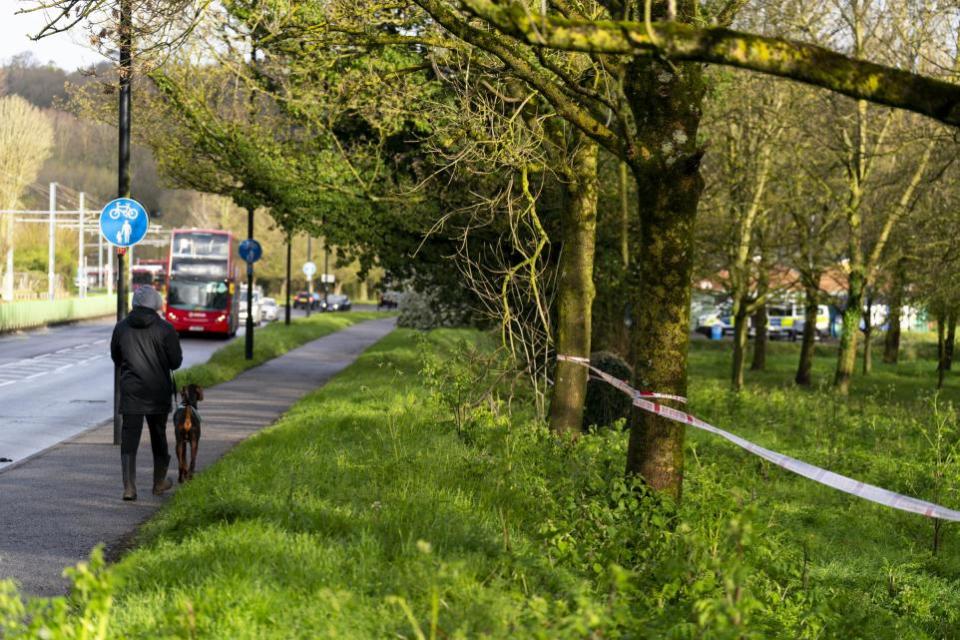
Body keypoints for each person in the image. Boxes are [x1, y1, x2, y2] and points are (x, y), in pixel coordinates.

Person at [110, 285, 183, 501]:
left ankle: (129, 488)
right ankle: (159, 483)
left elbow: (116, 357)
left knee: (129, 438)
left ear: (134, 303)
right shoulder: (165, 329)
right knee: (158, 435)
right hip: (158, 392)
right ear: (156, 304)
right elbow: (175, 362)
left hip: (131, 391)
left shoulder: (121, 328)